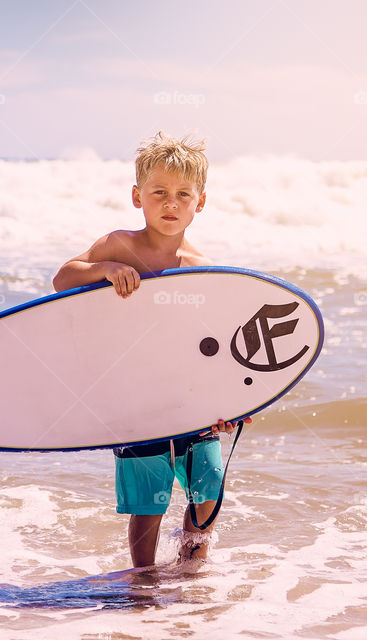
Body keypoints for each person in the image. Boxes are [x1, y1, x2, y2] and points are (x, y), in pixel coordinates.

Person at [52, 131, 250, 568]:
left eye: (183, 194)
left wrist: (235, 402)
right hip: (136, 396)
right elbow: (63, 279)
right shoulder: (119, 244)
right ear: (138, 196)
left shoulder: (202, 270)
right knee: (149, 499)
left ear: (200, 203)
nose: (171, 203)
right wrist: (105, 268)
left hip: (190, 396)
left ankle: (190, 564)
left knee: (208, 487)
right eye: (159, 192)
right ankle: (142, 579)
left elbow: (215, 345)